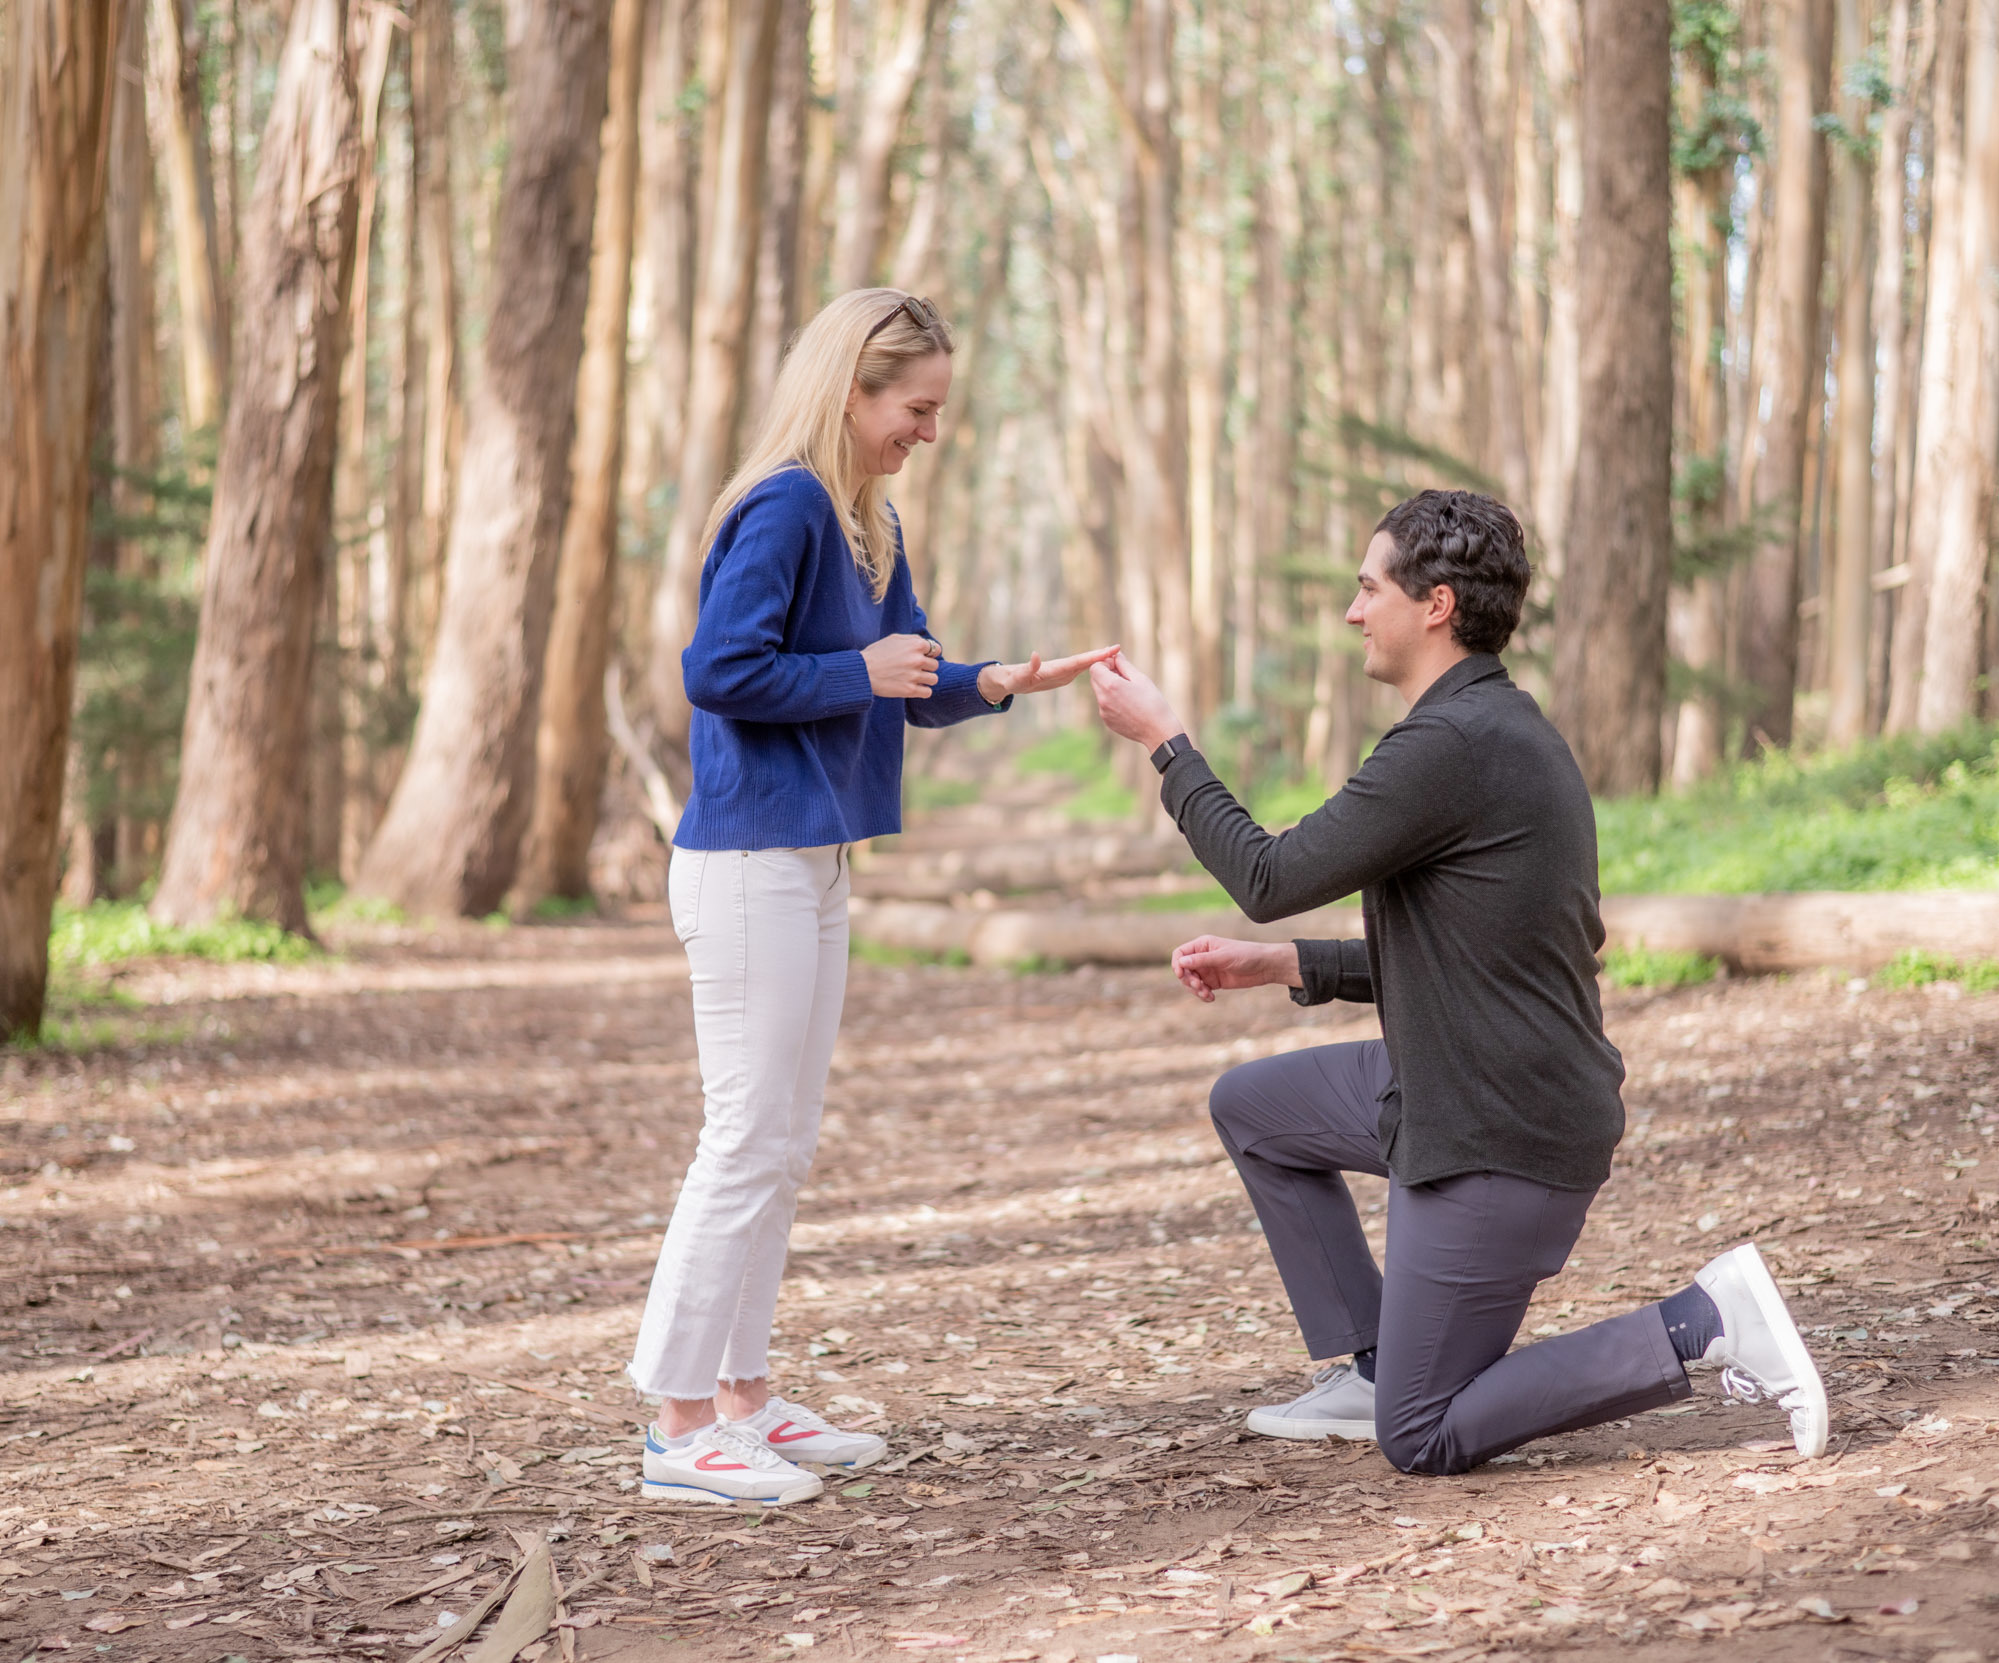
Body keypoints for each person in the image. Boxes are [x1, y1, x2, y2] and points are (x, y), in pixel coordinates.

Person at [1087, 488, 1827, 1475]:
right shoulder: (1485, 731)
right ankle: (1375, 1360)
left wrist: (1165, 744)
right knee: (1254, 1106)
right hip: (1456, 1080)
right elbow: (1473, 954)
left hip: (1498, 1129)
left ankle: (1699, 1324)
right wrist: (1287, 966)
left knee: (1424, 1432)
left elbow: (1266, 877)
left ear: (1434, 604)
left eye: (1368, 588)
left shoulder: (1451, 747)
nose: (1353, 611)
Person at [632, 289, 1114, 1506]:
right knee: (742, 1137)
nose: (928, 430)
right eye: (915, 407)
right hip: (746, 859)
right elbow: (718, 670)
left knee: (783, 1145)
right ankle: (679, 1421)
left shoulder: (868, 520)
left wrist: (994, 679)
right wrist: (856, 669)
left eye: (937, 410)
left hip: (816, 860)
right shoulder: (787, 504)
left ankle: (744, 1398)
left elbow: (904, 678)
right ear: (850, 388)